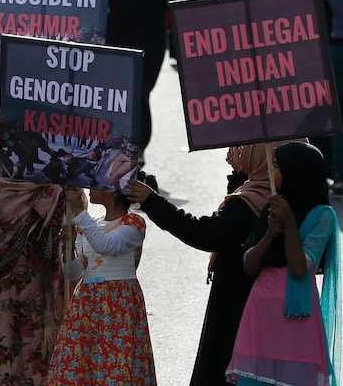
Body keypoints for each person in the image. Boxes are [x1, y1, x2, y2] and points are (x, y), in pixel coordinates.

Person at [124, 140, 302, 386]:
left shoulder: (259, 202)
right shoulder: (284, 194)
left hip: (241, 311)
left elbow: (207, 233)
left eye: (249, 150)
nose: (239, 151)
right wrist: (241, 173)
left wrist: (152, 202)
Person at [0, 119, 70, 386]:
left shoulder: (55, 149)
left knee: (29, 350)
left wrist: (60, 191)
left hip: (32, 270)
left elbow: (73, 209)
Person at [226, 141, 340, 386]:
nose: (271, 172)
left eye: (277, 166)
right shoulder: (271, 206)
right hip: (261, 311)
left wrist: (289, 225)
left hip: (298, 317)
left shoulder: (322, 216)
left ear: (296, 172)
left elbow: (300, 268)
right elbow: (249, 264)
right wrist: (269, 234)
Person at [47, 183, 155, 385]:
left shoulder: (133, 223)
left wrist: (79, 213)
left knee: (117, 366)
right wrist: (68, 247)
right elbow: (74, 272)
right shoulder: (90, 224)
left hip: (118, 305)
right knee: (82, 365)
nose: (89, 187)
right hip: (87, 303)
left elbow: (106, 245)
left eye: (96, 183)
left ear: (113, 191)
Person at [106, 0, 183, 161]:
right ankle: (137, 148)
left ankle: (122, 147)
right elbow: (176, 2)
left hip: (117, 33)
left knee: (121, 93)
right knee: (141, 94)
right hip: (151, 37)